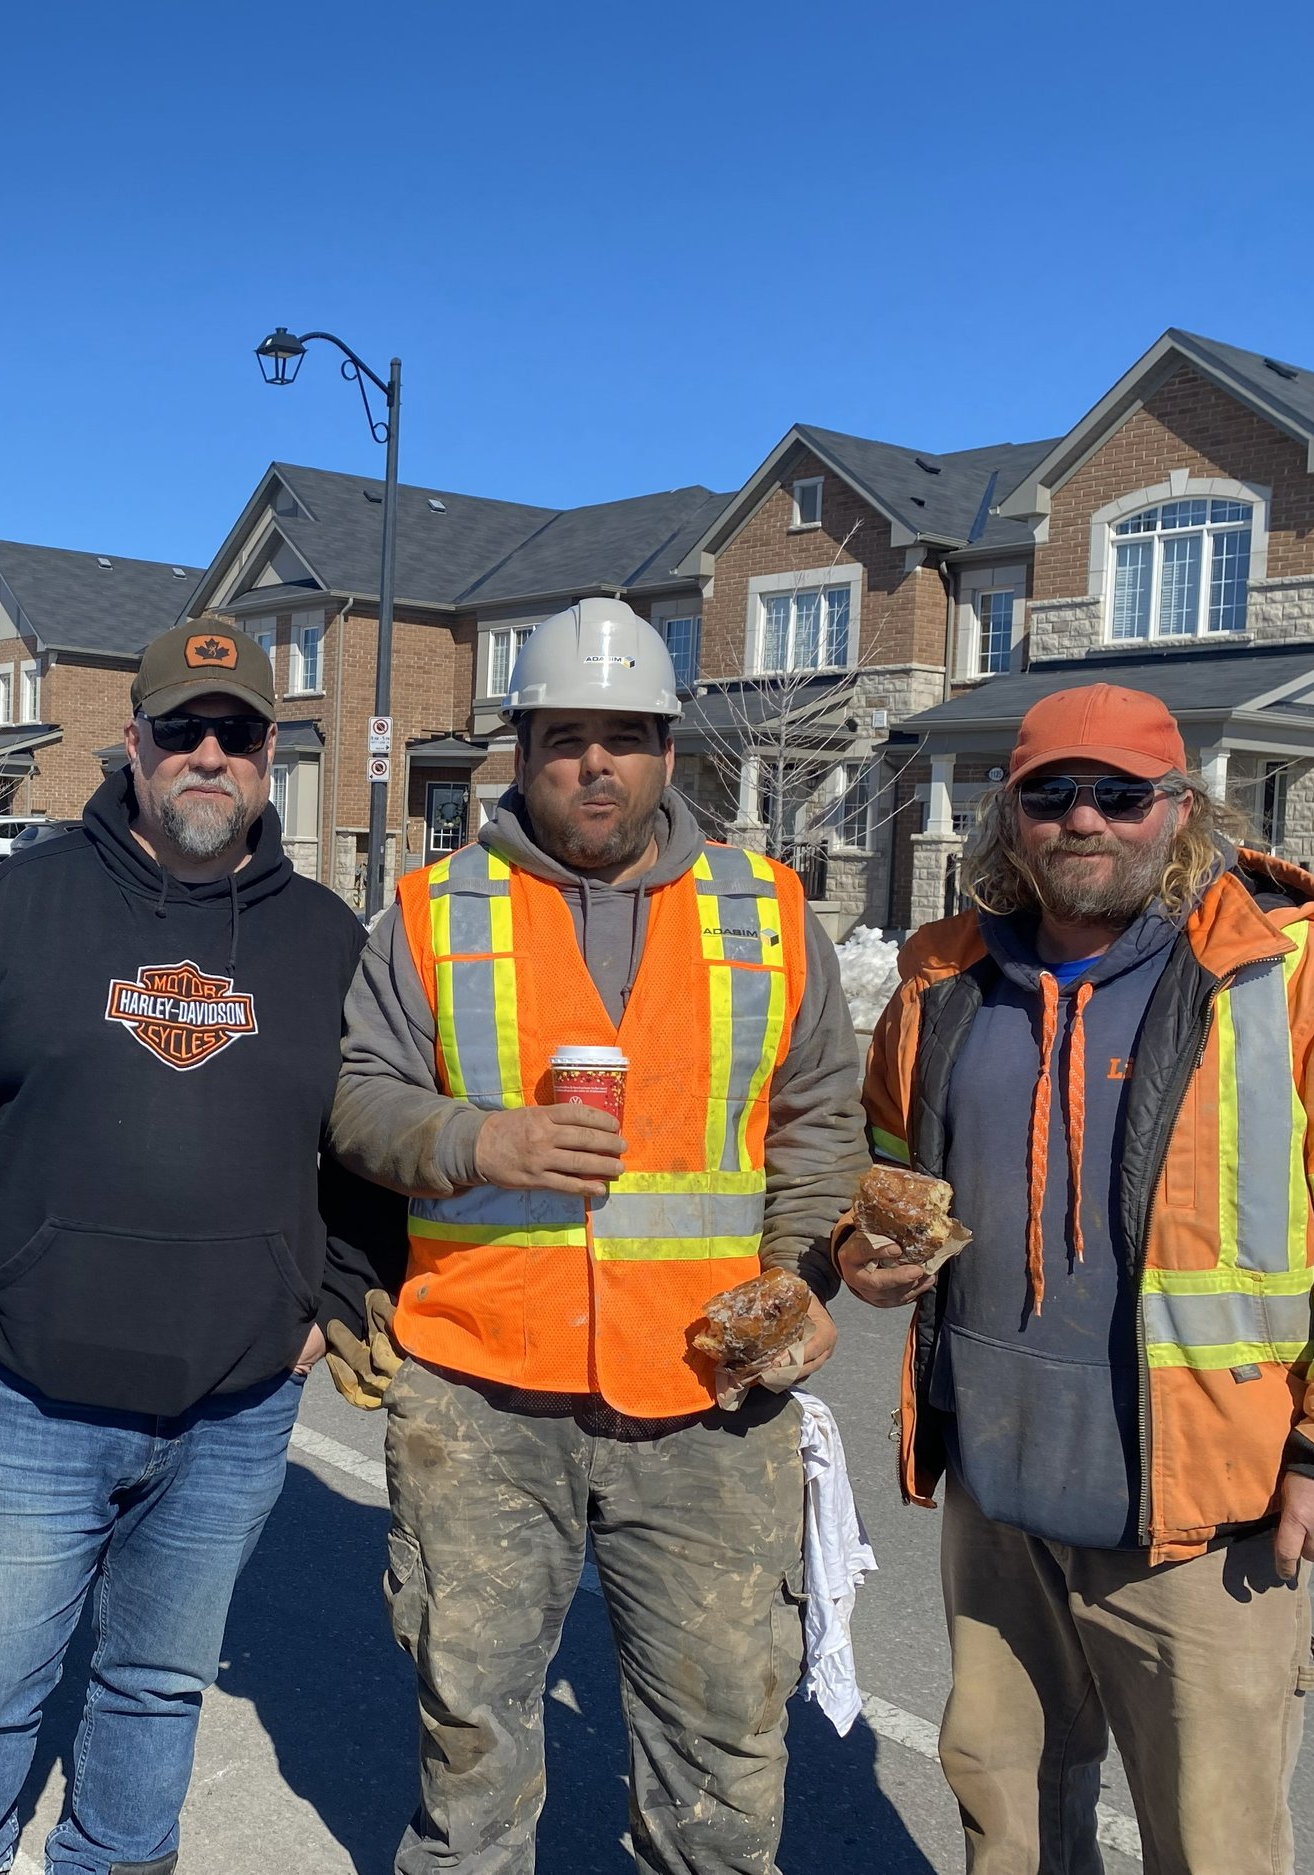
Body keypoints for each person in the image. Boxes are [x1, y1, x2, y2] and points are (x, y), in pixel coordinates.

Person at [842, 682, 1314, 1875]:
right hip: (996, 1500)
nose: (1085, 819)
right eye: (1051, 792)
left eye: (1121, 793)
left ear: (1180, 807)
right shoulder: (941, 978)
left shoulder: (1303, 982)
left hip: (1208, 1525)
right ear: (1009, 812)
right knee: (1007, 1822)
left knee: (1213, 1847)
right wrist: (864, 1250)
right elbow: (884, 1162)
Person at [0, 621, 396, 1875]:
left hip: (234, 1412)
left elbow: (371, 1155)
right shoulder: (20, 908)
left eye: (235, 734)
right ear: (130, 745)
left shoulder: (324, 940)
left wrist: (335, 1295)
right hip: (28, 1397)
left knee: (155, 1684)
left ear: (268, 757)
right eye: (179, 730)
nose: (207, 755)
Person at [330, 596, 868, 1875]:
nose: (593, 763)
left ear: (669, 754)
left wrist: (794, 1287)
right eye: (565, 735)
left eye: (623, 736)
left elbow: (817, 1122)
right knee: (472, 1738)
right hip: (479, 1392)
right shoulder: (433, 910)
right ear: (522, 751)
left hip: (707, 1398)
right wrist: (479, 1141)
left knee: (721, 1750)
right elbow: (357, 1098)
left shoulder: (768, 909)